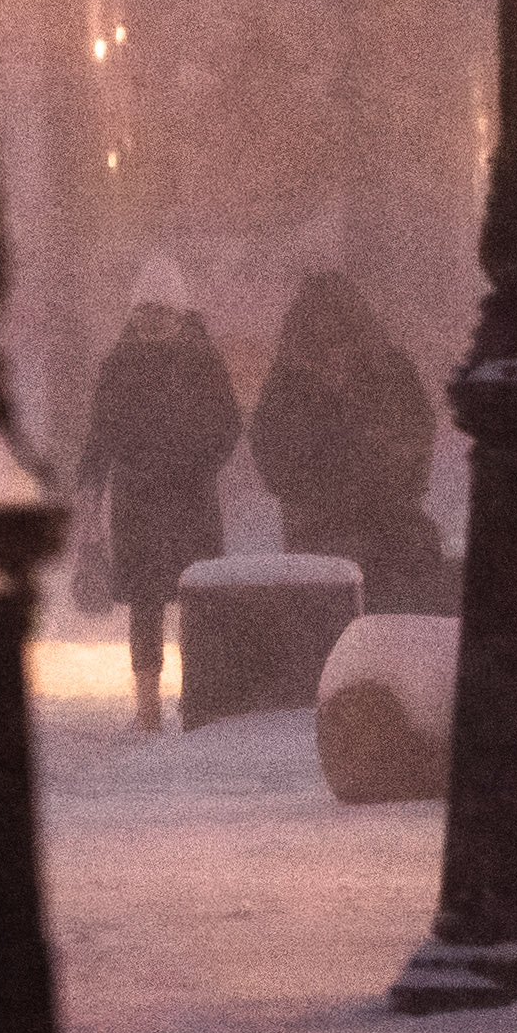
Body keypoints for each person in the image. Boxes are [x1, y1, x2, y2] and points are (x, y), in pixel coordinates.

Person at [76, 257, 245, 734]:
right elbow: (99, 435)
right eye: (145, 313)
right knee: (146, 605)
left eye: (161, 312)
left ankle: (198, 703)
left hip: (183, 500)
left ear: (179, 311)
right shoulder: (123, 363)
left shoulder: (199, 361)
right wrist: (91, 484)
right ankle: (149, 710)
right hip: (143, 503)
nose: (152, 322)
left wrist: (194, 464)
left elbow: (227, 426)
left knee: (197, 603)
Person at [245, 270, 452, 614]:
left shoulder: (289, 383)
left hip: (333, 532)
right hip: (380, 529)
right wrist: (378, 476)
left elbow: (274, 458)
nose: (335, 349)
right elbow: (416, 440)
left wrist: (328, 483)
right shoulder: (388, 370)